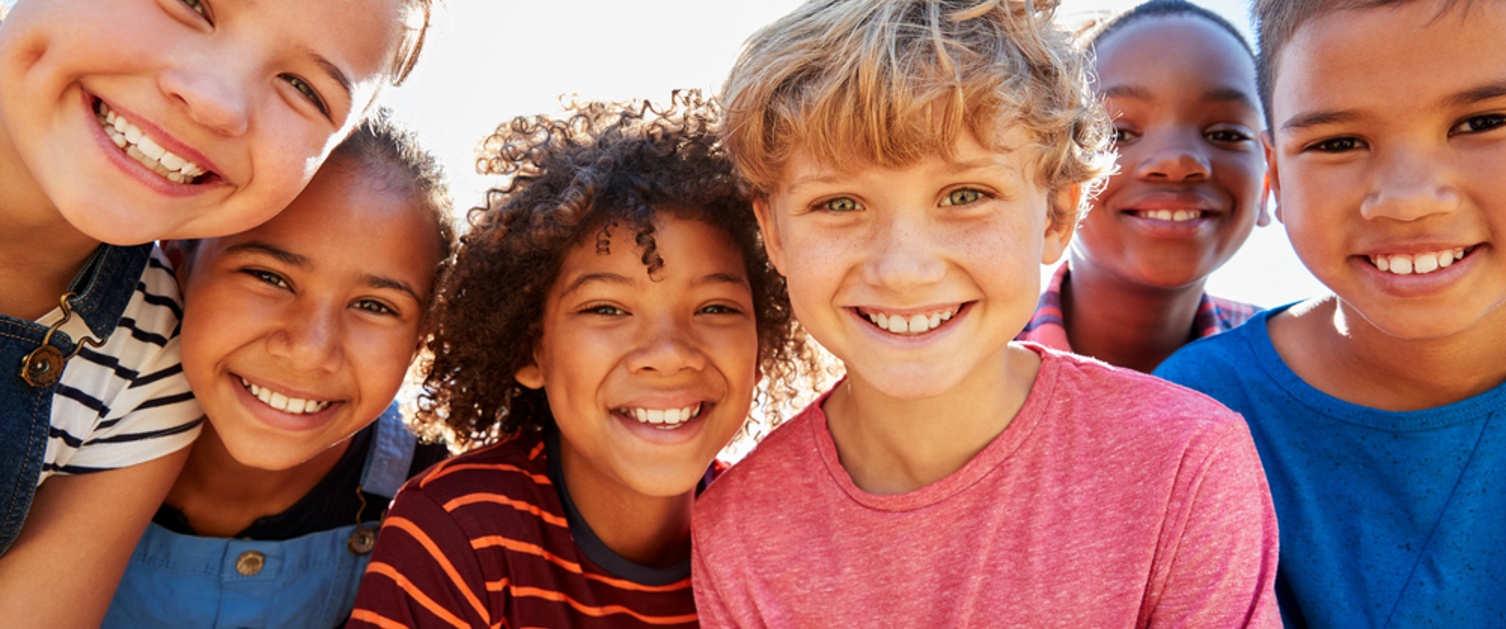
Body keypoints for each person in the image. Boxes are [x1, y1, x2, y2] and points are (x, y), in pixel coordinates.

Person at [691, 0, 1281, 625]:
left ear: (1056, 214)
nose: (903, 268)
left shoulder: (1184, 462)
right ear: (774, 234)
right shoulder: (737, 529)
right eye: (839, 204)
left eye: (965, 195)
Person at [0, 0, 432, 624]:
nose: (214, 100)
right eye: (190, 3)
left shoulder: (148, 368)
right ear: (182, 259)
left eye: (304, 89)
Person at [346, 91, 816, 629]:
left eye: (715, 307)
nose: (668, 354)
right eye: (607, 309)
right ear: (531, 348)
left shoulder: (786, 546)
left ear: (761, 343)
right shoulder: (462, 531)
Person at [1154, 0, 1506, 625]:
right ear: (1274, 180)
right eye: (1339, 142)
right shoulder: (1191, 421)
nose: (1408, 199)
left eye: (1483, 123)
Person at [99, 112, 453, 628]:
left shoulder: (444, 503)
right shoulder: (65, 414)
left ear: (422, 337)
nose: (310, 349)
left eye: (376, 306)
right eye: (269, 276)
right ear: (177, 259)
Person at [1017, 0, 1269, 372]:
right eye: (1118, 133)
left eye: (1226, 134)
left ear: (1268, 184)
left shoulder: (1298, 373)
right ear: (1056, 178)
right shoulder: (966, 363)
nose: (1177, 161)